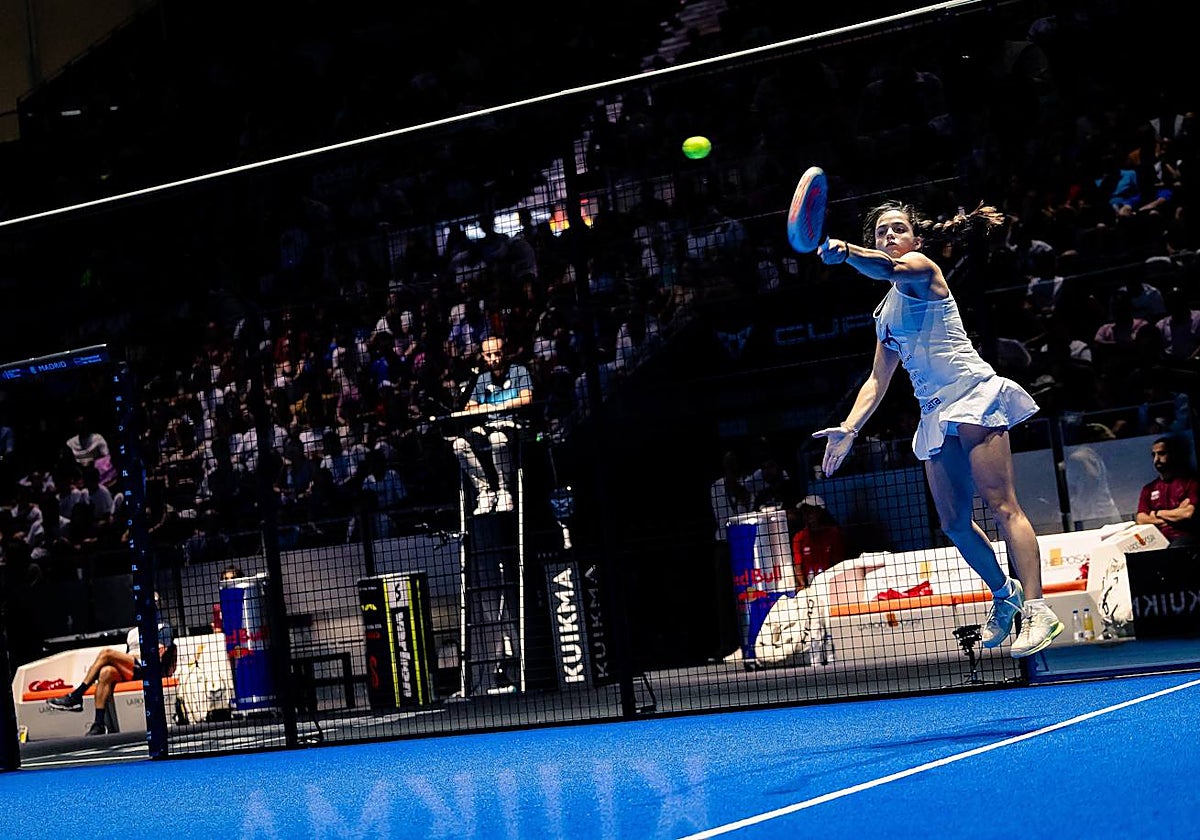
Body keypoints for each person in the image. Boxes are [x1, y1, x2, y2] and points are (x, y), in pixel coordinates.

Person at [812, 199, 1063, 658]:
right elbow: (878, 379)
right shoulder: (884, 313)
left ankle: (1038, 609)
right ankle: (1005, 594)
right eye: (882, 231)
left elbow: (886, 267)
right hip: (934, 412)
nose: (890, 236)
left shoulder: (922, 270)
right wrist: (849, 428)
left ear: (916, 239)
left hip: (971, 393)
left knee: (1002, 505)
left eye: (898, 229)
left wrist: (845, 251)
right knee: (953, 523)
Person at [45, 593, 177, 735]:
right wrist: (127, 660)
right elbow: (128, 656)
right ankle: (99, 723)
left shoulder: (163, 628)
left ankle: (76, 696)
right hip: (134, 668)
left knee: (106, 653)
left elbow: (159, 654)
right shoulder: (132, 633)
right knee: (106, 672)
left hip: (149, 668)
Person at [448, 335, 533, 515]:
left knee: (497, 439)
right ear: (483, 356)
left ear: (504, 353)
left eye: (497, 353)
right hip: (488, 425)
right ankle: (485, 491)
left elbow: (527, 398)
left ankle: (504, 491)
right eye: (488, 355)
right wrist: (482, 407)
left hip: (513, 424)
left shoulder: (519, 371)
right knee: (459, 445)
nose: (493, 359)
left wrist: (501, 406)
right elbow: (469, 406)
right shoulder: (481, 378)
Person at [1136, 436, 1198, 546]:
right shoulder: (1149, 489)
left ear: (1173, 455)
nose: (1156, 459)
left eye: (1161, 453)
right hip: (1156, 538)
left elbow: (1187, 513)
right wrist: (1174, 516)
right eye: (1154, 455)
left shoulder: (1190, 483)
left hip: (1184, 537)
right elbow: (1141, 519)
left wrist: (1156, 513)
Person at [791, 495, 846, 586]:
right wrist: (804, 586)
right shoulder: (799, 537)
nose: (807, 515)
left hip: (831, 584)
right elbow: (798, 566)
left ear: (820, 512)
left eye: (811, 511)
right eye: (805, 512)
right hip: (809, 586)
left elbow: (839, 563)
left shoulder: (834, 534)